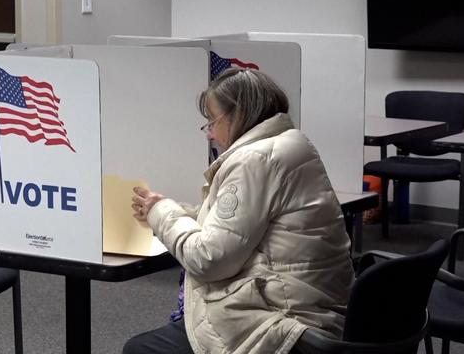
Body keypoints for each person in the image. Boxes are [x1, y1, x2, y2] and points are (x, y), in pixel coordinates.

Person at [124, 68, 354, 354]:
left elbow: (209, 260)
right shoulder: (290, 143)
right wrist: (172, 211)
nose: (209, 133)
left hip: (283, 324)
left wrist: (161, 213)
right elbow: (239, 227)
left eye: (212, 121)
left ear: (239, 115)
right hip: (315, 306)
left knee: (140, 349)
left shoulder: (253, 160)